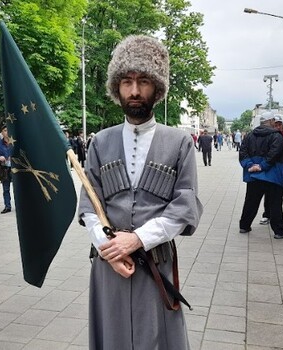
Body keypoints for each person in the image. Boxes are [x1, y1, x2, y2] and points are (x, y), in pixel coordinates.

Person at [78, 35, 203, 350]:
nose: (134, 91)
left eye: (144, 81)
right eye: (127, 81)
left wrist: (137, 239)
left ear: (157, 88)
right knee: (112, 335)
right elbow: (89, 204)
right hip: (109, 264)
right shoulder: (100, 142)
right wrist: (109, 247)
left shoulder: (180, 143)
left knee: (156, 337)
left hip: (155, 261)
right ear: (116, 87)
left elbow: (184, 205)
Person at [239, 113, 283, 239]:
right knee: (275, 204)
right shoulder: (276, 136)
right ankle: (279, 231)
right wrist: (262, 166)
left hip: (253, 176)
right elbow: (275, 153)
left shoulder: (249, 135)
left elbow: (243, 153)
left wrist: (251, 165)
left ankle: (244, 226)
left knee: (251, 201)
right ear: (271, 121)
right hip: (272, 176)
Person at [259, 115, 283, 226]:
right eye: (275, 124)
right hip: (272, 169)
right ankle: (267, 215)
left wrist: (277, 147)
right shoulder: (270, 136)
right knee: (269, 194)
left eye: (280, 124)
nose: (278, 126)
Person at [0, 126, 13, 213]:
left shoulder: (14, 142)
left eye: (8, 130)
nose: (7, 132)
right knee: (6, 189)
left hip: (15, 169)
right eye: (5, 130)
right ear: (2, 132)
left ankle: (20, 206)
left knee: (18, 189)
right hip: (5, 169)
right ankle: (7, 206)